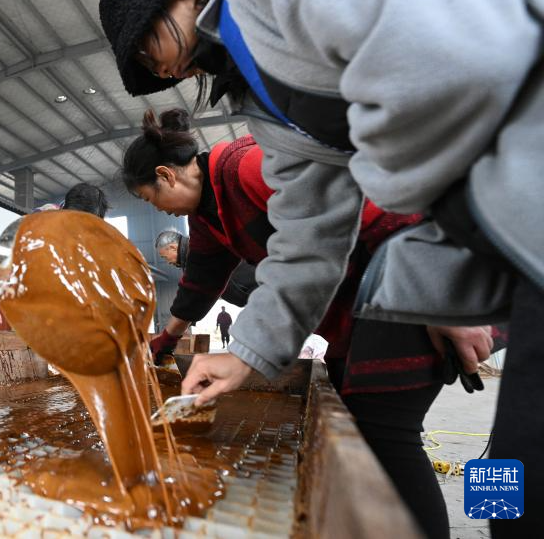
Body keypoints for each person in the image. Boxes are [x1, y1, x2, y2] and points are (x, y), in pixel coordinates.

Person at [99, 0, 540, 533]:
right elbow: (310, 236)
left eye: (148, 47)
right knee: (503, 474)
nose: (161, 70)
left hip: (489, 221)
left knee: (420, 446)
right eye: (148, 70)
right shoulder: (271, 105)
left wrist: (441, 288)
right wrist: (246, 352)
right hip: (483, 243)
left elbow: (448, 57)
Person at [128, 110, 482, 537]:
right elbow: (200, 281)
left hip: (400, 291)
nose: (157, 210)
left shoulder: (247, 165)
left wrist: (444, 297)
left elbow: (379, 206)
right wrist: (166, 339)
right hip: (352, 320)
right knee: (361, 426)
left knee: (384, 435)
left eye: (149, 199)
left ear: (166, 176)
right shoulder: (207, 214)